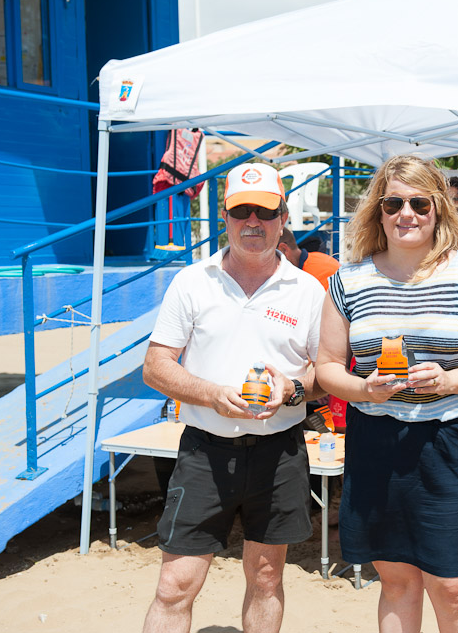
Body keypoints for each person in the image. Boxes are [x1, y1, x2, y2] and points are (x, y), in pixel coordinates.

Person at [316, 155, 458, 633]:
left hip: (451, 443)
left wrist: (451, 381)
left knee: (453, 587)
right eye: (393, 202)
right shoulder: (349, 280)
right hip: (375, 442)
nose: (405, 213)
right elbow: (327, 367)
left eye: (419, 202)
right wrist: (363, 389)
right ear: (378, 210)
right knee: (395, 581)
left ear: (439, 210)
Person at [141, 162, 327, 633]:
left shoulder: (307, 291)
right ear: (223, 216)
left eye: (264, 212)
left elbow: (326, 374)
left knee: (266, 577)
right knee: (175, 584)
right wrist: (212, 394)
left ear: (283, 217)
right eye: (241, 211)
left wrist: (291, 391)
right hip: (206, 449)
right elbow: (155, 366)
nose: (252, 223)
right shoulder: (192, 281)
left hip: (279, 451)